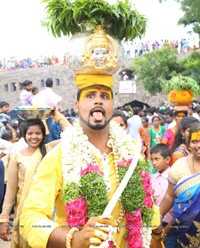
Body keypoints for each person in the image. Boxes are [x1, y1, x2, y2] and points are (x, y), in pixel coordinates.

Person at [19, 72, 157, 248]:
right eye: (90, 96)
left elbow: (147, 206)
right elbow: (31, 218)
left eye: (105, 96)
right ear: (77, 105)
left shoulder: (132, 154)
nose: (98, 101)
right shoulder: (59, 156)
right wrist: (72, 238)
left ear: (112, 106)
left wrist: (157, 234)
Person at [0, 118, 50, 247]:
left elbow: (73, 136)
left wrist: (55, 116)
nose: (34, 137)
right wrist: (4, 218)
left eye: (38, 133)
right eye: (30, 133)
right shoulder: (17, 157)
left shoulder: (50, 151)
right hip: (24, 208)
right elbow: (10, 192)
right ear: (24, 135)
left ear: (44, 134)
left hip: (46, 208)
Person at [159, 121, 200, 247]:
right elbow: (169, 196)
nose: (198, 146)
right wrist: (157, 217)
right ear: (188, 143)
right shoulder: (179, 166)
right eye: (194, 141)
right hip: (185, 234)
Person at [150, 144, 178, 248]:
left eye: (157, 159)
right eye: (152, 159)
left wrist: (166, 230)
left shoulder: (173, 178)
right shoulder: (152, 178)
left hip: (170, 227)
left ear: (167, 159)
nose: (154, 163)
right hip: (155, 226)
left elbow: (177, 207)